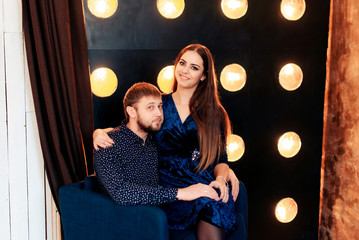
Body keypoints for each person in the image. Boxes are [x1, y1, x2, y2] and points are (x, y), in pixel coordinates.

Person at [93, 44, 241, 240]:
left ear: (204, 76)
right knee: (204, 203)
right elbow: (134, 126)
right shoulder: (159, 104)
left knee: (212, 203)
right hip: (168, 186)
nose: (185, 70)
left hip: (201, 181)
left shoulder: (214, 112)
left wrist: (223, 176)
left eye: (194, 67)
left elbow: (221, 157)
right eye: (182, 63)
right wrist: (99, 132)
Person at [94, 82, 222, 207]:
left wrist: (223, 172)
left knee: (213, 205)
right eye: (150, 107)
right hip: (125, 220)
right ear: (132, 112)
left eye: (160, 106)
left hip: (159, 214)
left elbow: (192, 154)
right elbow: (121, 193)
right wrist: (180, 193)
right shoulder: (107, 144)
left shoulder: (156, 139)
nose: (159, 113)